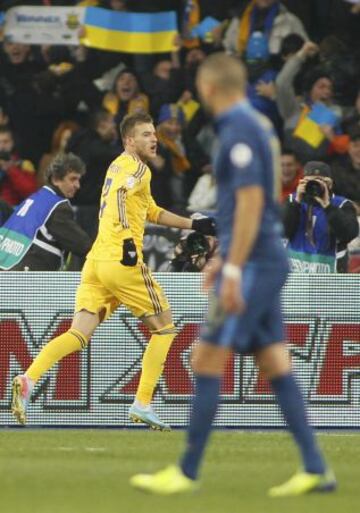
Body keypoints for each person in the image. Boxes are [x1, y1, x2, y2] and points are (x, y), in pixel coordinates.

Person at [130, 53, 336, 496]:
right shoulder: (254, 124)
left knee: (206, 357)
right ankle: (316, 468)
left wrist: (232, 266)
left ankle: (186, 470)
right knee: (274, 361)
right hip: (261, 259)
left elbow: (246, 204)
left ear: (207, 88)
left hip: (257, 264)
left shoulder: (238, 128)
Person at [11, 112, 216, 431]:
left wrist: (193, 224)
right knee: (165, 328)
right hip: (121, 261)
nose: (154, 139)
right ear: (129, 141)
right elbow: (121, 196)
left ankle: (28, 379)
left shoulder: (120, 166)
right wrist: (128, 243)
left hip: (96, 263)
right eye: (146, 134)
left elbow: (151, 211)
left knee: (78, 334)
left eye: (154, 134)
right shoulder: (134, 167)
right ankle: (143, 402)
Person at [0, 153, 92, 271]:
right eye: (73, 179)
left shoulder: (36, 198)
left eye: (79, 180)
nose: (77, 185)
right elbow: (82, 245)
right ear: (55, 179)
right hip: (26, 277)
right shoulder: (57, 206)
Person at [284, 160, 359, 273]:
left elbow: (348, 234)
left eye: (321, 181)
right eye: (311, 181)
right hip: (294, 275)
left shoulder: (342, 205)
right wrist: (296, 203)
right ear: (302, 182)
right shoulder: (291, 200)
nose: (316, 185)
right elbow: (283, 231)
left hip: (330, 274)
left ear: (330, 184)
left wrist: (328, 206)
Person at [0, 126, 37, 206]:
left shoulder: (23, 165)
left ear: (12, 143)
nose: (2, 146)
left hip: (13, 212)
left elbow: (31, 192)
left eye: (5, 142)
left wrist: (11, 169)